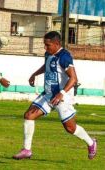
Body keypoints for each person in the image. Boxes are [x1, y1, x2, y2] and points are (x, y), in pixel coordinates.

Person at [12, 31, 97, 160]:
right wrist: (35, 74)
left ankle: (91, 143)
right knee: (29, 115)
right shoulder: (48, 54)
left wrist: (61, 94)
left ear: (57, 44)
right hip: (48, 94)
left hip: (63, 97)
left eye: (48, 45)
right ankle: (26, 150)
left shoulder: (65, 56)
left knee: (70, 128)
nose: (45, 48)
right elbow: (47, 66)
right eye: (44, 45)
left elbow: (73, 78)